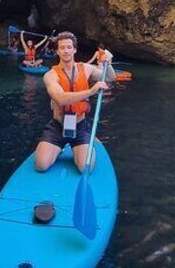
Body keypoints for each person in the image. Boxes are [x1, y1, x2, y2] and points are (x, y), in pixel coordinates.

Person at [34, 32, 115, 173]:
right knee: (41, 165)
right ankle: (57, 148)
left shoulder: (87, 68)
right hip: (57, 127)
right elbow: (60, 98)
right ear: (57, 51)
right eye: (62, 47)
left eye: (69, 47)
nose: (66, 50)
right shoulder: (50, 75)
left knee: (85, 168)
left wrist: (108, 64)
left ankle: (87, 140)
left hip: (80, 126)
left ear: (75, 49)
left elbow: (109, 78)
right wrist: (90, 92)